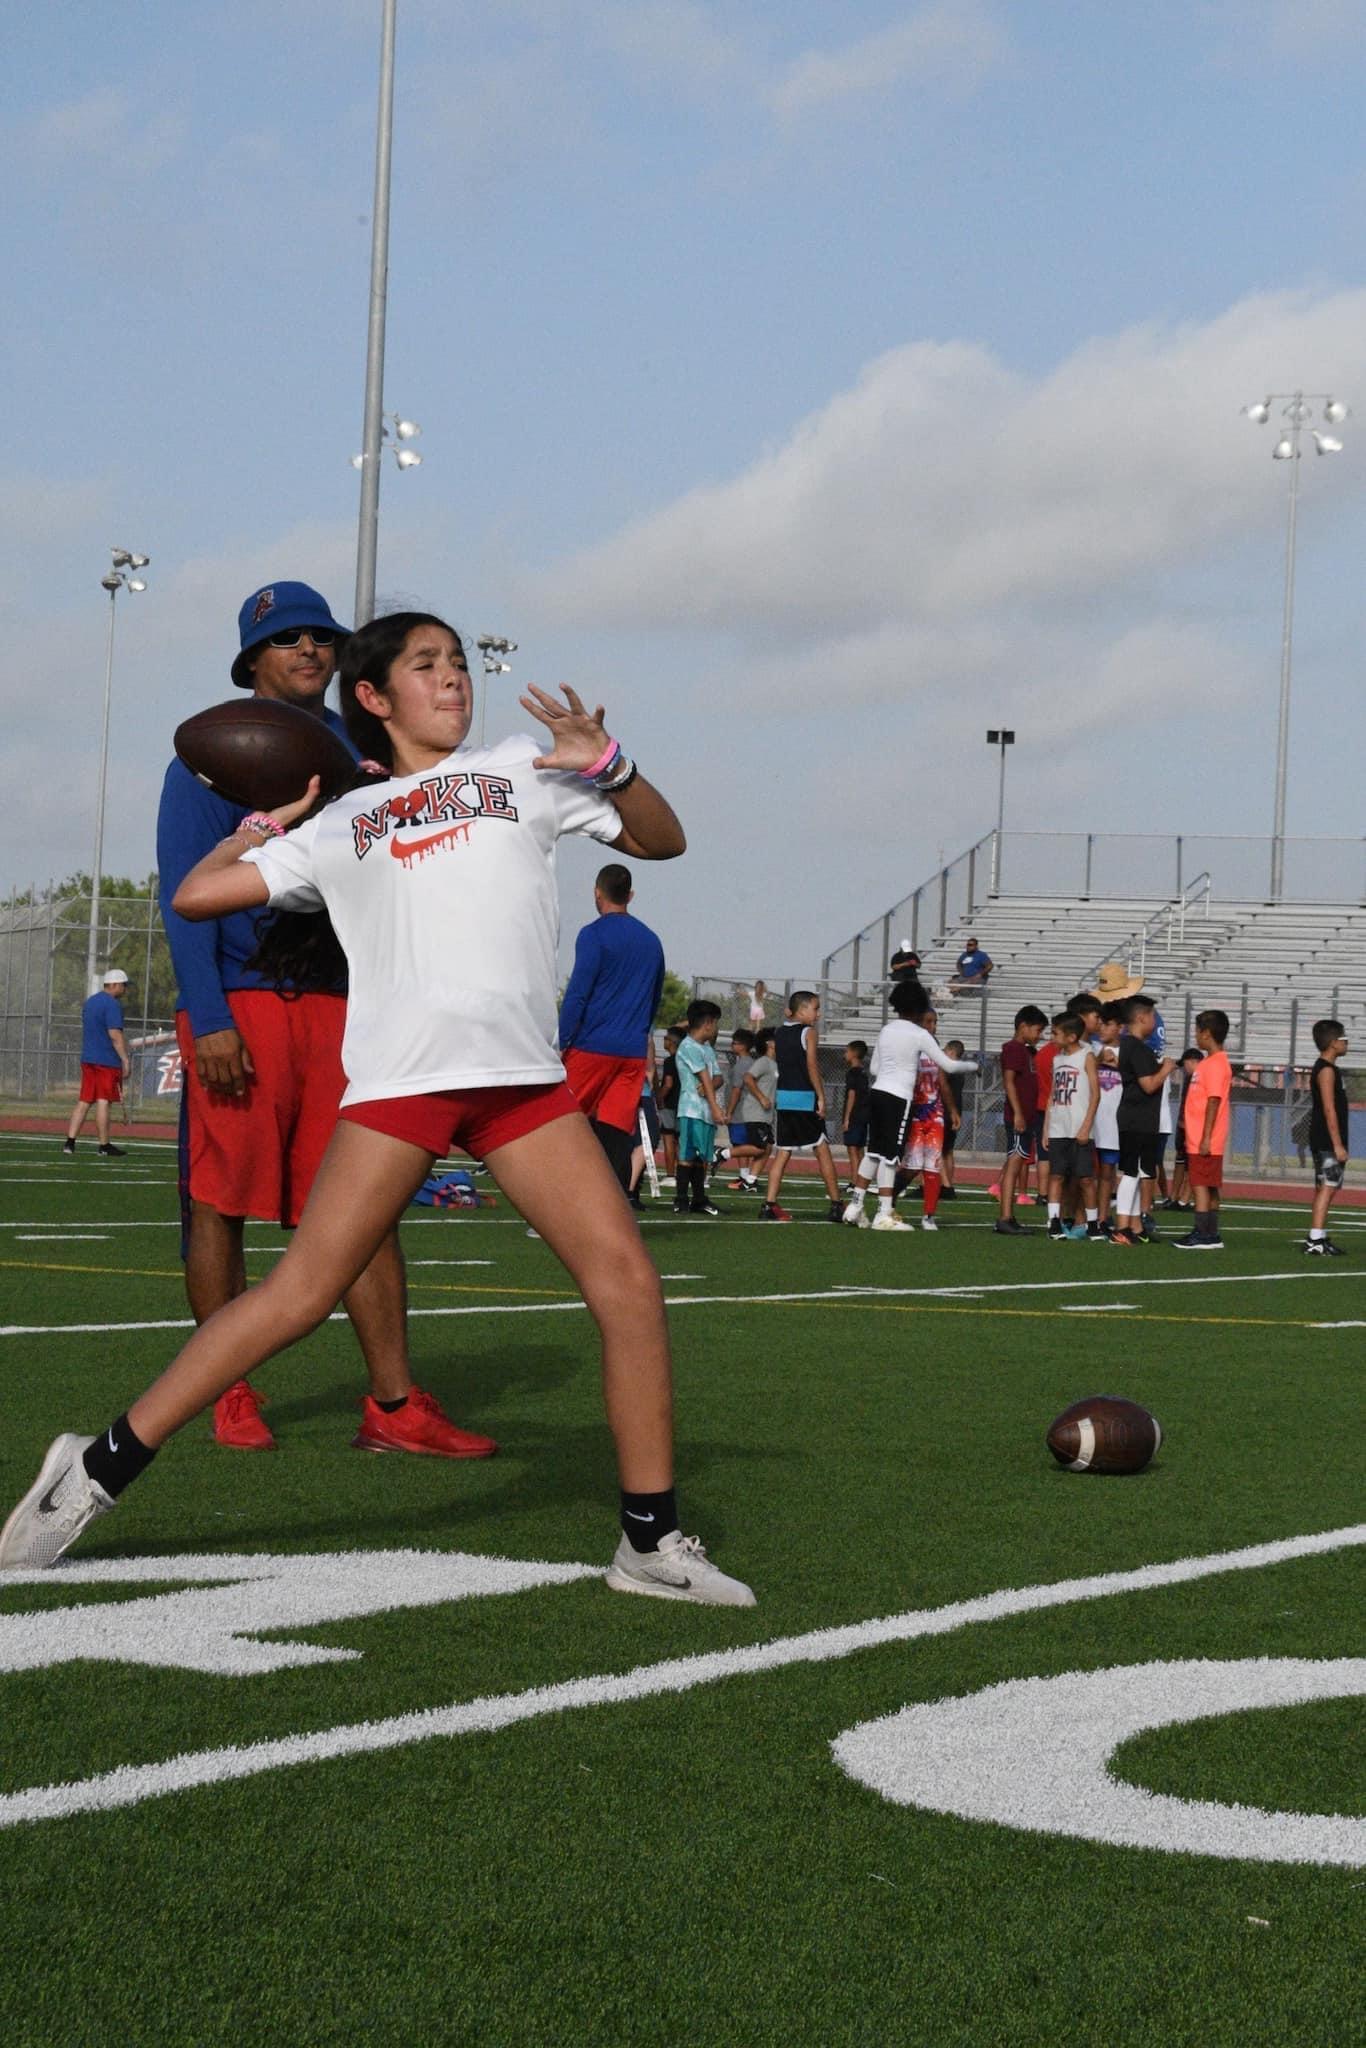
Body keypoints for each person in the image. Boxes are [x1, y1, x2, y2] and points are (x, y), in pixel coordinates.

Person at [0, 612, 754, 1606]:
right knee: (299, 1295)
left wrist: (609, 763)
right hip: (404, 1080)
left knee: (627, 1281)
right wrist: (264, 824)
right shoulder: (342, 819)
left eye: (456, 664)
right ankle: (91, 1470)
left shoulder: (523, 770)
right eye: (424, 666)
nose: (451, 680)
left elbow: (664, 839)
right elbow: (195, 896)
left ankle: (648, 1540)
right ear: (372, 695)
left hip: (519, 1082)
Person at [154, 581, 488, 1460]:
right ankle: (228, 1387)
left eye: (321, 637)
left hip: (348, 1004)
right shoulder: (209, 755)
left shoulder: (363, 750)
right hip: (248, 1003)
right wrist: (209, 1013)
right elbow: (178, 892)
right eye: (287, 638)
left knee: (365, 1208)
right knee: (219, 1202)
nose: (308, 648)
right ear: (252, 658)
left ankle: (393, 1404)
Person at [558, 862, 665, 1192]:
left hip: (591, 1047)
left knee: (564, 1127)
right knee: (617, 1135)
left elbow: (578, 993)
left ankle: (564, 1218)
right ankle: (613, 1219)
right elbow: (655, 996)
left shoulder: (593, 934)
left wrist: (562, 1041)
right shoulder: (651, 940)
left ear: (596, 892)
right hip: (631, 1054)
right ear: (630, 895)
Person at [842, 985, 976, 1232]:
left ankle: (855, 1206)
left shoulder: (887, 1030)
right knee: (891, 1157)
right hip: (898, 1097)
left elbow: (874, 1069)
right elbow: (947, 1064)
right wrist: (972, 1066)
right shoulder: (919, 1034)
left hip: (878, 1092)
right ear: (918, 1008)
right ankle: (884, 1213)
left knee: (873, 1152)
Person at [759, 991, 844, 1224]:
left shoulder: (779, 1032)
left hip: (784, 1097)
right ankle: (836, 1204)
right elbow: (811, 1065)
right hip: (804, 1097)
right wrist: (821, 1096)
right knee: (822, 1148)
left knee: (783, 1152)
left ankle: (769, 1204)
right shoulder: (809, 1032)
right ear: (802, 1010)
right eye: (815, 1009)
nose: (818, 1014)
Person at [898, 1002, 970, 1231]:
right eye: (929, 1022)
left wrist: (951, 1110)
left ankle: (929, 1215)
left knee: (932, 1166)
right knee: (910, 1166)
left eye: (935, 1022)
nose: (933, 1027)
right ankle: (887, 1202)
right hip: (914, 1114)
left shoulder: (935, 1048)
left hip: (935, 1115)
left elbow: (941, 1082)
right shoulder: (910, 1047)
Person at [1112, 997, 1176, 1247]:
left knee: (1140, 1172)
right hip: (1136, 1119)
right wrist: (1166, 1068)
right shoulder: (1136, 1047)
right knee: (1131, 1173)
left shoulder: (1133, 1047)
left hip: (1140, 1118)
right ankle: (1122, 1227)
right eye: (1151, 1016)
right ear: (1141, 1018)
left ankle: (1135, 1226)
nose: (1154, 1021)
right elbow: (1148, 1085)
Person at [1173, 1013, 1230, 1250]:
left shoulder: (1216, 1064)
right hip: (1197, 1136)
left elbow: (1213, 1101)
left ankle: (1203, 1233)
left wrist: (1205, 1137)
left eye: (1197, 1031)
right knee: (1209, 1185)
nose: (1196, 1036)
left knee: (1200, 1185)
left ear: (1206, 1033)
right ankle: (1211, 1232)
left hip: (1204, 1139)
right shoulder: (1209, 1063)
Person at [1041, 1012, 1100, 1241]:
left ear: (1072, 1036)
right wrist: (1047, 1128)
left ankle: (1093, 1224)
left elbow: (1096, 1095)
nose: (1052, 1037)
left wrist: (1086, 1126)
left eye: (1055, 1033)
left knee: (1085, 1179)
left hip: (1079, 1128)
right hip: (1058, 1128)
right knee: (1056, 1176)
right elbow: (1052, 1096)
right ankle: (1054, 1222)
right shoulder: (1057, 1060)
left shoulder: (1087, 1055)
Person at [63, 968, 132, 1158]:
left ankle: (70, 1142)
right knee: (104, 1100)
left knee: (84, 1100)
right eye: (124, 985)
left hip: (88, 1058)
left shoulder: (91, 1002)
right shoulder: (112, 1004)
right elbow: (115, 1035)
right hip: (106, 1060)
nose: (125, 989)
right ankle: (104, 1145)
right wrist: (125, 1059)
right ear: (115, 985)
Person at [994, 1006, 1047, 1235]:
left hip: (1028, 1117)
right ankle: (1005, 1216)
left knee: (1018, 1163)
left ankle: (1009, 1216)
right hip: (1019, 1118)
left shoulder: (1027, 1051)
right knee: (1014, 1165)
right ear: (1023, 1026)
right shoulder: (1013, 1049)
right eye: (1037, 1030)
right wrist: (1017, 1113)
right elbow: (1009, 1082)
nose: (1039, 1035)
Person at [674, 1000, 727, 1217]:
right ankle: (681, 1199)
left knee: (701, 1156)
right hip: (691, 1109)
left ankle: (699, 1199)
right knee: (687, 1153)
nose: (715, 1029)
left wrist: (709, 1089)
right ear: (708, 1023)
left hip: (704, 1110)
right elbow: (705, 1077)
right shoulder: (687, 1047)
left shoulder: (706, 1049)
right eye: (715, 1024)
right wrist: (716, 1107)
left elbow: (717, 1078)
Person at [1305, 1019, 1350, 1256]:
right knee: (1328, 1186)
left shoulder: (1329, 1068)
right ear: (1333, 1043)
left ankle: (1318, 1235)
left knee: (1326, 1186)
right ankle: (1315, 1239)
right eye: (1343, 1039)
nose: (1346, 1042)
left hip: (1326, 1140)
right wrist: (1338, 1145)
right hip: (1327, 1141)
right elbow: (1329, 1109)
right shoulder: (1325, 1070)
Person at [1090, 1002, 1125, 1235]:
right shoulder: (1092, 1050)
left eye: (1108, 1025)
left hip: (1113, 1125)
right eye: (1101, 1024)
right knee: (1084, 1175)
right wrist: (1100, 1059)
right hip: (1090, 1124)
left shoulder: (1129, 1053)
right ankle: (1081, 1217)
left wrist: (1119, 1064)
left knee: (1107, 1173)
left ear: (1120, 1028)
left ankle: (1103, 1218)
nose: (1103, 1029)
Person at [1162, 1050, 1203, 1212]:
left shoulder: (1201, 1077)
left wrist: (1189, 1124)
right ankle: (1175, 1197)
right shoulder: (1189, 1078)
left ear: (1193, 1061)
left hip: (1194, 1125)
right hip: (1185, 1123)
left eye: (1185, 1064)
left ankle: (1185, 1200)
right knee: (1181, 1159)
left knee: (1193, 1163)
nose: (1184, 1069)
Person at [938, 1038, 968, 1197]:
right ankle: (949, 1183)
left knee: (939, 1151)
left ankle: (946, 1185)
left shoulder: (947, 1068)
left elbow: (943, 1088)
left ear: (950, 1051)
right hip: (956, 1111)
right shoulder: (960, 1069)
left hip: (945, 1111)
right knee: (948, 1150)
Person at [841, 1039, 870, 1191]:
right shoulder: (863, 1072)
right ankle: (862, 1181)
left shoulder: (852, 1072)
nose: (845, 1054)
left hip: (855, 1115)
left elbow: (851, 1095)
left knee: (852, 1149)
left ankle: (854, 1182)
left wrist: (846, 1118)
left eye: (847, 1051)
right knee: (860, 1149)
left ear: (853, 1053)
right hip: (864, 1115)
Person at [656, 1025, 682, 1182]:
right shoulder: (686, 1059)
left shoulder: (670, 1061)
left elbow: (668, 1084)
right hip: (684, 1104)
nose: (664, 1041)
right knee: (682, 1140)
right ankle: (683, 1172)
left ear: (672, 1042)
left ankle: (671, 1174)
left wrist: (659, 1099)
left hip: (670, 1104)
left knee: (668, 1139)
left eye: (666, 1039)